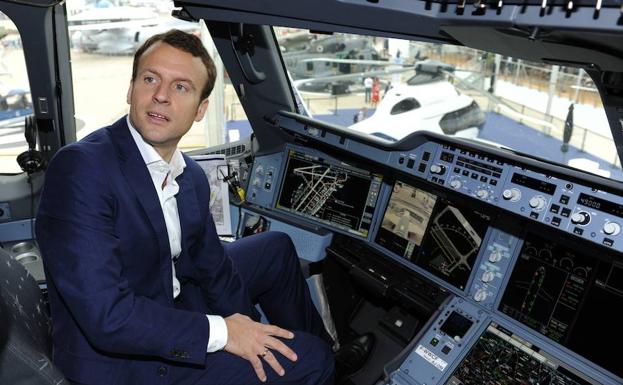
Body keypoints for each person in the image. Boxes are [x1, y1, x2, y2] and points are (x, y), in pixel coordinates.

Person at [35, 29, 334, 385]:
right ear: (131, 89)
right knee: (313, 362)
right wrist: (224, 333)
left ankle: (313, 345)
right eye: (150, 79)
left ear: (200, 109)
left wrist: (249, 332)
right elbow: (108, 318)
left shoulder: (189, 175)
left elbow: (214, 270)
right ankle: (318, 363)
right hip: (120, 359)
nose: (161, 96)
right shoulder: (81, 169)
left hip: (164, 293)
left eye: (181, 87)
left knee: (276, 248)